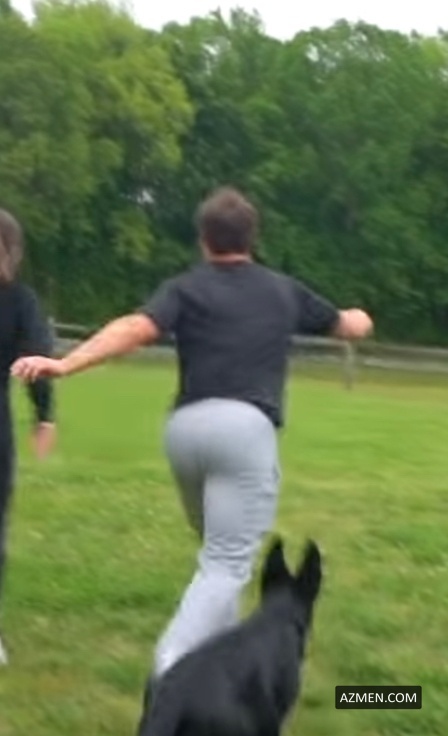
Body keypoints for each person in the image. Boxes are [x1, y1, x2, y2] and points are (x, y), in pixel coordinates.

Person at [12, 188, 372, 687]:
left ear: (204, 239)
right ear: (253, 238)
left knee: (217, 554)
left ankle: (217, 669)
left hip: (184, 431)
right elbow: (349, 326)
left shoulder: (185, 288)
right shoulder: (283, 290)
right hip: (243, 430)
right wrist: (361, 316)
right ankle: (171, 675)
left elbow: (135, 328)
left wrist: (66, 364)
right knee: (226, 563)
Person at [0, 209, 56, 665]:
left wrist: (44, 415)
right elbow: (36, 357)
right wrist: (44, 416)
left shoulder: (21, 301)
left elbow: (34, 358)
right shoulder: (19, 300)